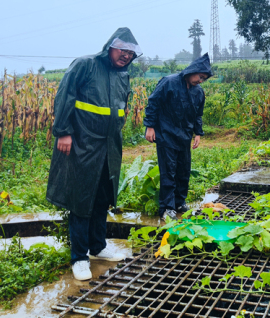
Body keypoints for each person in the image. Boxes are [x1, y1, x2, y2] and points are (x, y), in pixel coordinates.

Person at [46, 28, 142, 281]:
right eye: (123, 50)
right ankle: (79, 257)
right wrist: (64, 131)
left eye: (131, 53)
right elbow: (64, 96)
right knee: (81, 199)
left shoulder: (122, 75)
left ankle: (98, 246)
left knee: (102, 196)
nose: (126, 56)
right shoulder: (85, 65)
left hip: (109, 145)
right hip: (82, 142)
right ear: (110, 47)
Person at [144, 53, 212, 220]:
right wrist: (150, 127)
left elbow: (198, 114)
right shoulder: (169, 82)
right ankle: (167, 207)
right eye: (200, 76)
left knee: (183, 170)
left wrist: (198, 133)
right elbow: (153, 103)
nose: (200, 81)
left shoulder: (198, 92)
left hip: (184, 136)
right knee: (169, 171)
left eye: (204, 79)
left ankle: (179, 202)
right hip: (166, 134)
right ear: (193, 71)